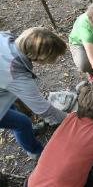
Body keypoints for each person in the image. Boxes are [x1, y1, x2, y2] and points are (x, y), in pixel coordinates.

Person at [0, 27, 67, 159]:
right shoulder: (15, 74)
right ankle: (36, 152)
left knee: (12, 108)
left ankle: (27, 131)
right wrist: (73, 119)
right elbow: (44, 109)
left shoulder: (6, 37)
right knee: (22, 123)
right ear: (40, 57)